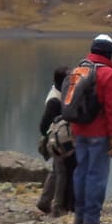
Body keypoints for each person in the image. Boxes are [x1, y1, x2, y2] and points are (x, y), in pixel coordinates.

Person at [70, 33, 112, 224]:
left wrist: (74, 129)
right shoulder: (108, 74)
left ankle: (79, 218)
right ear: (110, 53)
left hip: (79, 132)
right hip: (99, 134)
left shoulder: (79, 70)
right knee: (96, 177)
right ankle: (91, 222)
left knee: (80, 174)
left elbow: (71, 103)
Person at [37, 66, 75, 216]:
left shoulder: (59, 94)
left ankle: (44, 202)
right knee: (62, 173)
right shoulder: (54, 100)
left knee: (56, 172)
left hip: (58, 140)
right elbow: (43, 125)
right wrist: (52, 135)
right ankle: (58, 207)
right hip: (57, 141)